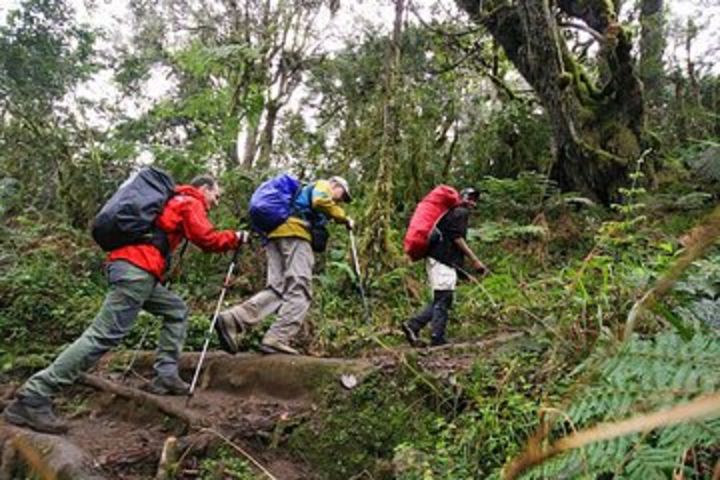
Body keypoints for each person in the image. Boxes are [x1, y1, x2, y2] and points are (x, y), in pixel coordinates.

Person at [2, 174, 248, 434]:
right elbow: (206, 238)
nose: (216, 202)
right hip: (136, 270)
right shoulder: (190, 200)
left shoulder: (170, 200)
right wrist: (234, 237)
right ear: (204, 188)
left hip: (133, 268)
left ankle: (165, 375)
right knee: (103, 335)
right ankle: (35, 395)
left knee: (176, 310)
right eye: (216, 195)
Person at [216, 176, 353, 355]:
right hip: (295, 234)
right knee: (300, 287)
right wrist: (344, 218)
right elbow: (320, 200)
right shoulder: (323, 185)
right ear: (336, 185)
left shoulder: (300, 197)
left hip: (274, 236)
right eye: (342, 195)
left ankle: (234, 319)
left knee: (277, 289)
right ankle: (278, 337)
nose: (340, 200)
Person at [402, 187, 487, 347]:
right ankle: (436, 337)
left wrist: (465, 274)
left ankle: (414, 326)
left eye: (475, 200)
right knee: (443, 298)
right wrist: (475, 261)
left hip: (438, 259)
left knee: (442, 298)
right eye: (470, 198)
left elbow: (450, 244)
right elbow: (457, 238)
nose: (472, 203)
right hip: (441, 260)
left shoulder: (450, 214)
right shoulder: (460, 213)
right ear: (461, 198)